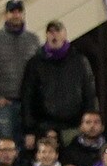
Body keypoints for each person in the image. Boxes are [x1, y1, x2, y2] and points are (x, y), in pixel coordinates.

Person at [20, 21, 97, 149]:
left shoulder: (79, 61)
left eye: (57, 31)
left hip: (74, 125)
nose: (54, 35)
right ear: (46, 35)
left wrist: (89, 122)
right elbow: (27, 97)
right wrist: (29, 130)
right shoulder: (35, 63)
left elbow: (89, 92)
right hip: (44, 127)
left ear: (64, 34)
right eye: (51, 32)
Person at [0, 0, 40, 146]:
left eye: (19, 11)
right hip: (4, 103)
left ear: (23, 14)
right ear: (5, 15)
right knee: (5, 144)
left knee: (27, 145)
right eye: (12, 11)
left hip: (28, 103)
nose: (16, 15)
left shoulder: (33, 39)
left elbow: (39, 70)